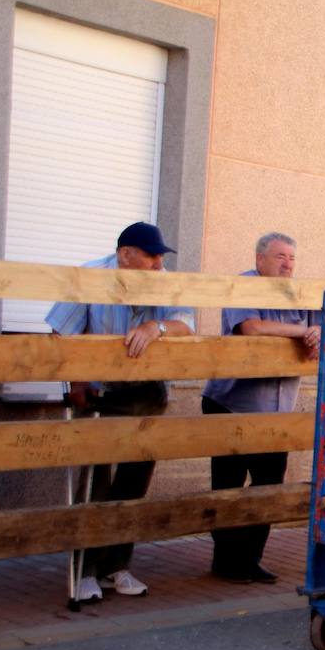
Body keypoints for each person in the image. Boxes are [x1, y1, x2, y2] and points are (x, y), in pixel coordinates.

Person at [47, 223, 195, 601]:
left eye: (162, 255)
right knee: (95, 483)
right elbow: (60, 336)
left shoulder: (164, 280)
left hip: (147, 392)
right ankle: (85, 571)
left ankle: (116, 566)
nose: (158, 263)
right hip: (101, 392)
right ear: (125, 254)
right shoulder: (91, 276)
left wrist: (155, 326)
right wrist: (78, 383)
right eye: (151, 255)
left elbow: (186, 324)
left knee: (133, 484)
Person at [203, 233, 321, 583]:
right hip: (232, 404)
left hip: (276, 412)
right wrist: (301, 332)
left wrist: (314, 334)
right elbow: (252, 327)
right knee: (228, 485)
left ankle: (250, 559)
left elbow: (323, 330)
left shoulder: (299, 293)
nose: (288, 264)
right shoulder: (245, 285)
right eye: (280, 256)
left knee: (269, 484)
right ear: (260, 259)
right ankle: (225, 561)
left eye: (292, 258)